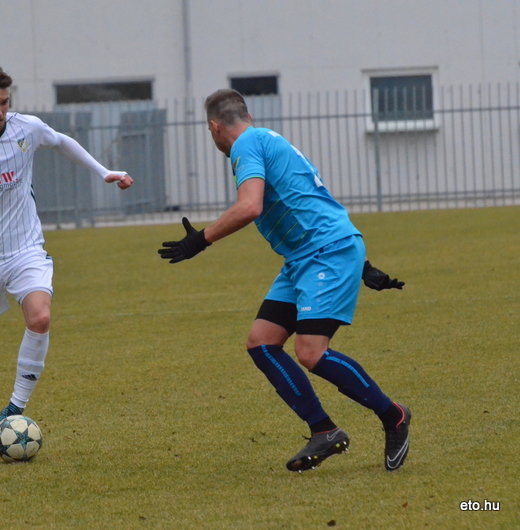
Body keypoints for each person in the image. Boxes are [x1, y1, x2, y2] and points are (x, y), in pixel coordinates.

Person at [158, 89, 410, 472]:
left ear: (214, 127)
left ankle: (393, 415)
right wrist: (362, 263)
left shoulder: (246, 145)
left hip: (326, 252)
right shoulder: (267, 140)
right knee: (262, 343)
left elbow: (250, 205)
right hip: (308, 256)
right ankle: (323, 430)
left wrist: (200, 240)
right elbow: (310, 199)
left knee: (310, 352)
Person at [0, 63, 133, 457]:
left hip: (25, 248)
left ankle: (12, 411)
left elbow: (62, 141)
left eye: (4, 102)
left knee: (41, 318)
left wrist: (104, 172)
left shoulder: (25, 128)